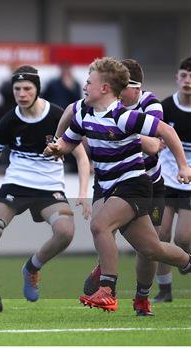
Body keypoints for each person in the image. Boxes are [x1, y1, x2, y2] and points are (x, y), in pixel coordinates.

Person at [45, 57, 191, 312]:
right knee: (152, 248)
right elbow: (69, 140)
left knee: (100, 225)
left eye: (88, 82)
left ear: (104, 88)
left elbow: (166, 132)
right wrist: (56, 148)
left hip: (134, 184)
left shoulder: (124, 117)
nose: (84, 86)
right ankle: (188, 261)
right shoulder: (84, 112)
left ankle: (107, 290)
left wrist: (183, 166)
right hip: (109, 184)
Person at [0, 65, 91, 306]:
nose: (22, 94)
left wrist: (82, 193)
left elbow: (81, 156)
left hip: (49, 188)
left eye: (27, 88)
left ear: (37, 89)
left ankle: (31, 267)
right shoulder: (8, 120)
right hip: (16, 185)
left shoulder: (57, 115)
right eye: (17, 89)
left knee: (66, 233)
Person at [77, 59, 166, 316]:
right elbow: (73, 114)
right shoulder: (100, 105)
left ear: (136, 89)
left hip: (146, 180)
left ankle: (140, 296)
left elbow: (154, 146)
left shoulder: (149, 106)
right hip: (108, 181)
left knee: (150, 249)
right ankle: (107, 278)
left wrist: (123, 129)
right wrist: (61, 143)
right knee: (101, 225)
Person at [154, 57, 191, 303]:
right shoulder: (165, 107)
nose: (188, 81)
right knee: (160, 235)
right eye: (184, 75)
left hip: (189, 185)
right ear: (176, 78)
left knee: (183, 238)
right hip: (165, 182)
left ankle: (185, 261)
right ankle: (164, 290)